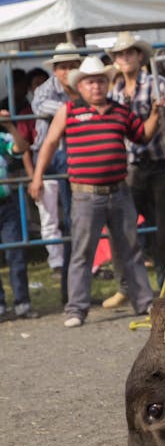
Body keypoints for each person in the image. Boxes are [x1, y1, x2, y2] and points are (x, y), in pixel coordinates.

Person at [29, 56, 158, 328]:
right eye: (90, 82)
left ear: (106, 83)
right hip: (86, 193)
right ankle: (76, 308)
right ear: (81, 85)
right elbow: (49, 143)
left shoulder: (120, 111)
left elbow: (142, 135)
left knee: (130, 249)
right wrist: (37, 176)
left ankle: (144, 301)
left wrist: (156, 114)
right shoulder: (69, 110)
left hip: (119, 190)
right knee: (82, 252)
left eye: (100, 81)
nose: (96, 86)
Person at [108, 31, 165, 301]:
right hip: (131, 165)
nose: (125, 58)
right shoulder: (115, 90)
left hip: (159, 162)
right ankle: (129, 286)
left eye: (129, 53)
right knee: (122, 228)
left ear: (139, 56)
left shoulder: (157, 83)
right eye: (120, 54)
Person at [31, 42, 82, 279]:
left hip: (73, 155)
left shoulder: (83, 87)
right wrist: (76, 108)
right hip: (48, 156)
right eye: (63, 67)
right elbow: (41, 105)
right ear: (55, 69)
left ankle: (81, 262)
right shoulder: (44, 89)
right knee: (49, 213)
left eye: (73, 66)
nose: (67, 71)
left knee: (75, 212)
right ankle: (57, 264)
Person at [0, 109, 38, 321]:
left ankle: (22, 302)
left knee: (15, 253)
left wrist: (10, 126)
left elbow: (21, 148)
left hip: (6, 203)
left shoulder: (1, 138)